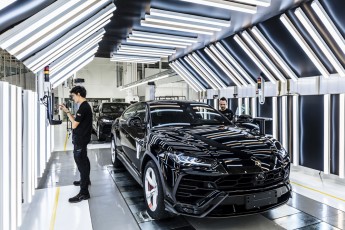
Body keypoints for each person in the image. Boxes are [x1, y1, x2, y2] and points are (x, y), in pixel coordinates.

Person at [59, 86, 92, 203]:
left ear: (78, 94)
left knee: (81, 163)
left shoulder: (83, 108)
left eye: (73, 96)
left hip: (80, 140)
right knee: (84, 160)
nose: (73, 98)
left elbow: (74, 125)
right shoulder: (84, 107)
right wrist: (67, 111)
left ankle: (84, 193)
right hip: (82, 139)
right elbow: (76, 122)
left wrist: (67, 112)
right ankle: (86, 180)